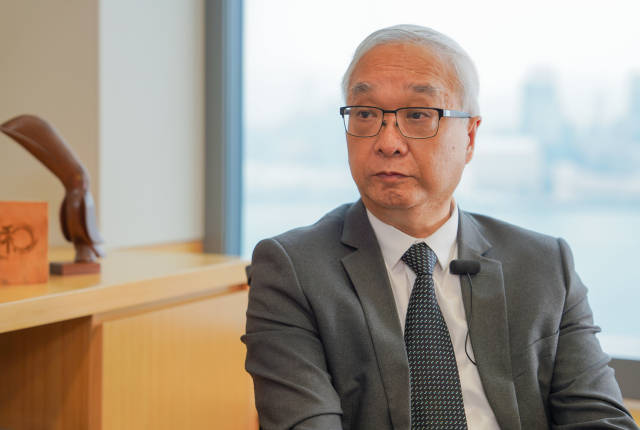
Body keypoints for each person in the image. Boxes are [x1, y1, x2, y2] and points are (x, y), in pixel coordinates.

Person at [242, 24, 637, 430]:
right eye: (365, 114)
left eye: (417, 115)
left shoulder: (545, 265)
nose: (388, 142)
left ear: (470, 137)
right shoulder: (293, 270)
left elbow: (602, 420)